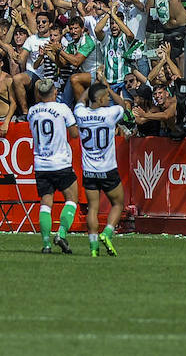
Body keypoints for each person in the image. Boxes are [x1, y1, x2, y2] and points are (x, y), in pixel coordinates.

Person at [74, 80, 130, 256]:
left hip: (89, 170)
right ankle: (107, 233)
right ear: (99, 100)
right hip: (107, 168)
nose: (108, 99)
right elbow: (123, 105)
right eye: (106, 96)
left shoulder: (80, 113)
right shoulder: (110, 113)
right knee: (118, 203)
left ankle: (93, 248)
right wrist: (106, 86)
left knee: (93, 208)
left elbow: (80, 101)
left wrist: (91, 87)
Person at [27, 77, 78, 254]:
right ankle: (61, 233)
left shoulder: (32, 112)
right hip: (60, 162)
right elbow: (74, 134)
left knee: (45, 203)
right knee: (71, 199)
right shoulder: (62, 109)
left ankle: (46, 244)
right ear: (55, 92)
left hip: (41, 164)